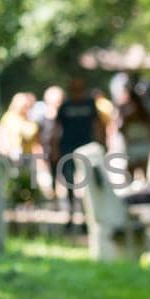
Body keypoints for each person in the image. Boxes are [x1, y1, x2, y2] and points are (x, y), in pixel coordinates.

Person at [51, 75, 100, 228]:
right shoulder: (65, 106)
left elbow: (97, 125)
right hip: (68, 147)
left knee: (88, 182)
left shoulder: (90, 104)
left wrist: (101, 144)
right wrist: (54, 148)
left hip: (87, 148)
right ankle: (72, 214)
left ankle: (88, 217)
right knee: (70, 182)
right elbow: (56, 128)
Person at [116, 79, 150, 185]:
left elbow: (122, 129)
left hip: (135, 145)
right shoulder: (145, 112)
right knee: (143, 175)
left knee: (130, 177)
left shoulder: (129, 112)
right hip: (142, 144)